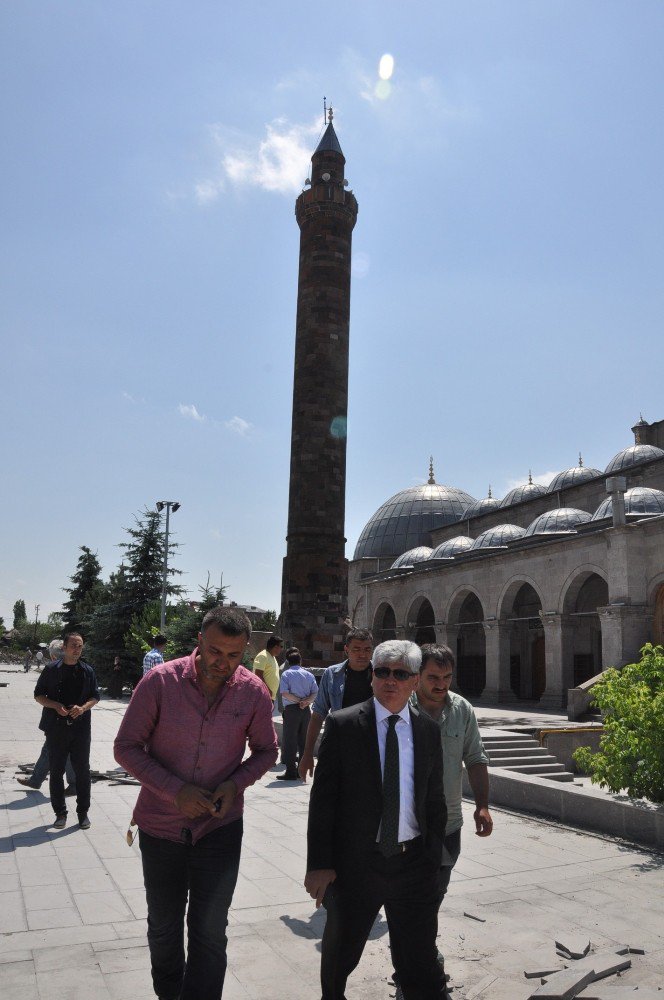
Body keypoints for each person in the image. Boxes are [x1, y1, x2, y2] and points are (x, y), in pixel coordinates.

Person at [114, 606, 278, 1000]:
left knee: (209, 928)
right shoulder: (159, 683)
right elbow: (126, 748)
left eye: (233, 655)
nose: (222, 663)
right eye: (215, 651)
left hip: (219, 829)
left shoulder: (253, 692)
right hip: (161, 827)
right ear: (200, 642)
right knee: (164, 925)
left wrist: (234, 785)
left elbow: (266, 751)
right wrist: (175, 791)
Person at [305, 639, 449, 1000]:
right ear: (371, 677)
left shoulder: (428, 731)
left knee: (418, 961)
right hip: (356, 864)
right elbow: (323, 801)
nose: (390, 680)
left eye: (400, 674)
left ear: (415, 681)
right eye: (382, 671)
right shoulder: (343, 725)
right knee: (340, 955)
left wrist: (433, 858)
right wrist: (319, 864)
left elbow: (434, 800)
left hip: (413, 863)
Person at [33, 632, 100, 830]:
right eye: (73, 645)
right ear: (64, 647)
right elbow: (38, 695)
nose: (77, 649)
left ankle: (83, 813)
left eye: (80, 646)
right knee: (56, 771)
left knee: (82, 772)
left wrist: (83, 708)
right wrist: (54, 705)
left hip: (80, 729)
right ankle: (60, 813)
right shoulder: (52, 669)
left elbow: (95, 696)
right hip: (56, 728)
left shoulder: (88, 671)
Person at [298, 627, 373, 780]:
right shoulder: (332, 675)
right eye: (356, 649)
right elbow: (318, 714)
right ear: (346, 650)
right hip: (338, 746)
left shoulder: (381, 674)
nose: (362, 654)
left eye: (367, 649)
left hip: (371, 749)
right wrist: (307, 754)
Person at [277, 650, 318, 781]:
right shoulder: (309, 674)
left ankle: (290, 771)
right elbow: (315, 693)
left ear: (288, 662)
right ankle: (301, 770)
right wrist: (305, 702)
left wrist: (298, 701)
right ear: (300, 661)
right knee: (303, 740)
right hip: (306, 710)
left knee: (290, 741)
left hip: (291, 709)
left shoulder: (286, 674)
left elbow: (284, 693)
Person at [252, 634, 283, 704]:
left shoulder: (272, 657)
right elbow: (258, 675)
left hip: (269, 696)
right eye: (281, 646)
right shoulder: (263, 656)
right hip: (263, 695)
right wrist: (267, 690)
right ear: (275, 647)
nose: (281, 649)